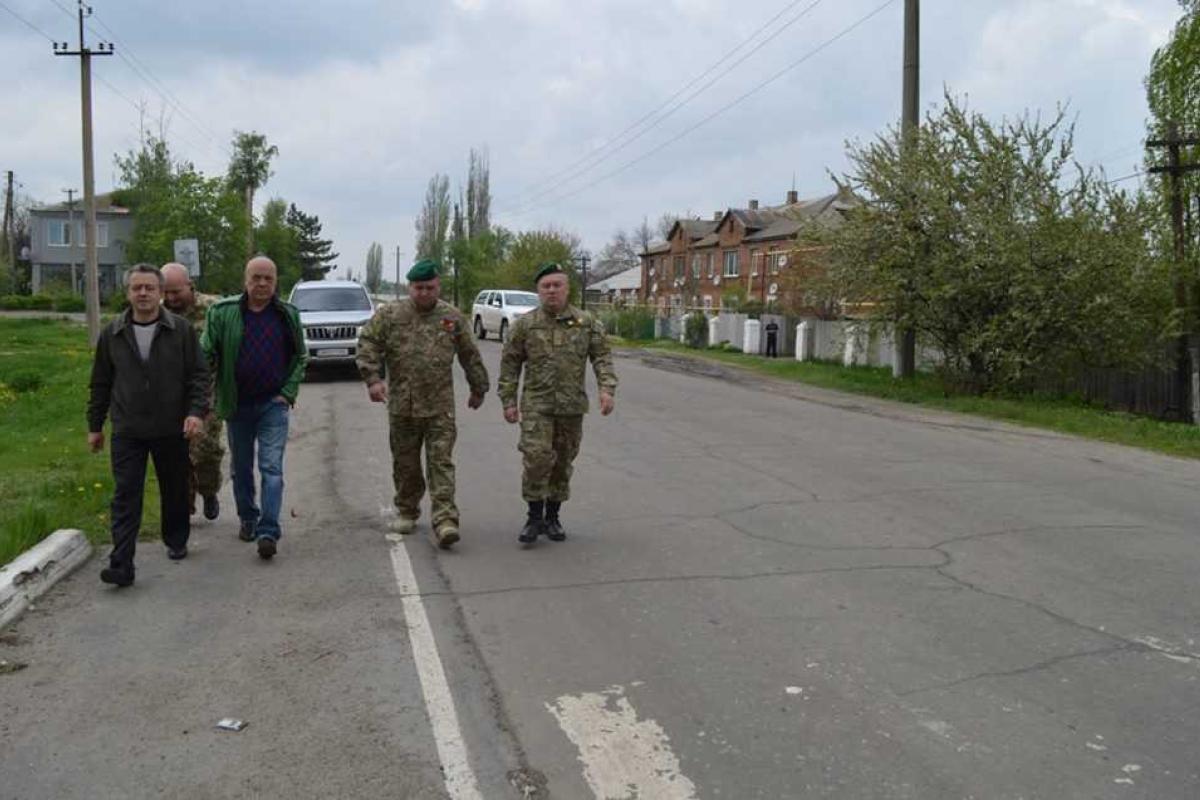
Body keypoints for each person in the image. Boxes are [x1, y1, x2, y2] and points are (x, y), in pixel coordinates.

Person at [87, 264, 208, 586]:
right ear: (128, 293)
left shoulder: (180, 331)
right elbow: (100, 383)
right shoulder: (112, 334)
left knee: (174, 489)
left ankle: (176, 538)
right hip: (128, 430)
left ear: (159, 293)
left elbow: (199, 376)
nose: (143, 293)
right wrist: (95, 425)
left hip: (172, 427)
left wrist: (195, 412)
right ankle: (122, 564)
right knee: (126, 494)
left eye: (149, 288)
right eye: (136, 288)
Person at [356, 259, 489, 550]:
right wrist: (373, 379)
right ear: (409, 287)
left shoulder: (451, 317)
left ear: (438, 286)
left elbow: (469, 354)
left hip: (440, 407)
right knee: (406, 464)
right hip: (402, 406)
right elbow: (368, 344)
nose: (425, 293)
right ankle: (407, 510)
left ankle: (445, 520)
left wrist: (478, 387)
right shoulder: (390, 315)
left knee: (440, 463)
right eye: (419, 288)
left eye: (430, 288)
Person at [498, 262, 617, 545]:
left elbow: (602, 357)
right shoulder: (525, 325)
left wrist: (607, 389)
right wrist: (508, 401)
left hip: (571, 407)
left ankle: (553, 517)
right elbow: (510, 365)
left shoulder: (586, 323)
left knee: (563, 463)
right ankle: (533, 517)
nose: (551, 291)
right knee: (537, 459)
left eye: (557, 285)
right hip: (537, 405)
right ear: (538, 291)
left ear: (567, 288)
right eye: (546, 286)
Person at [201, 256, 306, 560]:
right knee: (241, 468)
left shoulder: (287, 315)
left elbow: (301, 357)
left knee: (271, 468)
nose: (262, 284)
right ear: (245, 280)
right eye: (256, 277)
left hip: (273, 404)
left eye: (268, 279)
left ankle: (268, 531)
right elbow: (205, 356)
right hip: (237, 405)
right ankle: (248, 516)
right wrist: (200, 400)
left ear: (275, 282)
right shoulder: (222, 313)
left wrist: (287, 392)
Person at [161, 262, 223, 521]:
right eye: (167, 293)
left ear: (190, 285)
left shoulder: (213, 308)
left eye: (177, 292)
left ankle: (208, 490)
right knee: (178, 453)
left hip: (208, 392)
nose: (172, 298)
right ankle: (183, 508)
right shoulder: (158, 313)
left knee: (205, 449)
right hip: (170, 395)